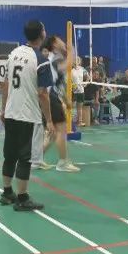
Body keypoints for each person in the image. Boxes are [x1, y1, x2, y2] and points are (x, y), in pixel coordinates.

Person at [0, 20, 54, 211]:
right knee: (24, 158)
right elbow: (43, 93)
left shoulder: (13, 53)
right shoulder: (40, 59)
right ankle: (22, 198)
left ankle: (7, 193)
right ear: (42, 34)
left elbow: (5, 83)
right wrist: (49, 120)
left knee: (9, 155)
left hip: (11, 112)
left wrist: (3, 109)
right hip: (27, 114)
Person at [39, 35, 80, 172]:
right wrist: (71, 51)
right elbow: (66, 66)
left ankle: (36, 159)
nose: (63, 42)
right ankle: (63, 163)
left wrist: (66, 99)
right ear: (55, 44)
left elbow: (58, 83)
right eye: (59, 40)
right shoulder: (54, 57)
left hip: (51, 96)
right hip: (50, 97)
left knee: (52, 133)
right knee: (61, 130)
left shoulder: (53, 58)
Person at [71, 56, 89, 127]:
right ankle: (70, 122)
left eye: (77, 60)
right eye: (75, 60)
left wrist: (85, 84)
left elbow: (88, 77)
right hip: (73, 91)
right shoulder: (70, 69)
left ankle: (80, 122)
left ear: (79, 62)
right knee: (71, 106)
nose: (76, 61)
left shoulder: (82, 69)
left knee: (79, 107)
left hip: (81, 90)